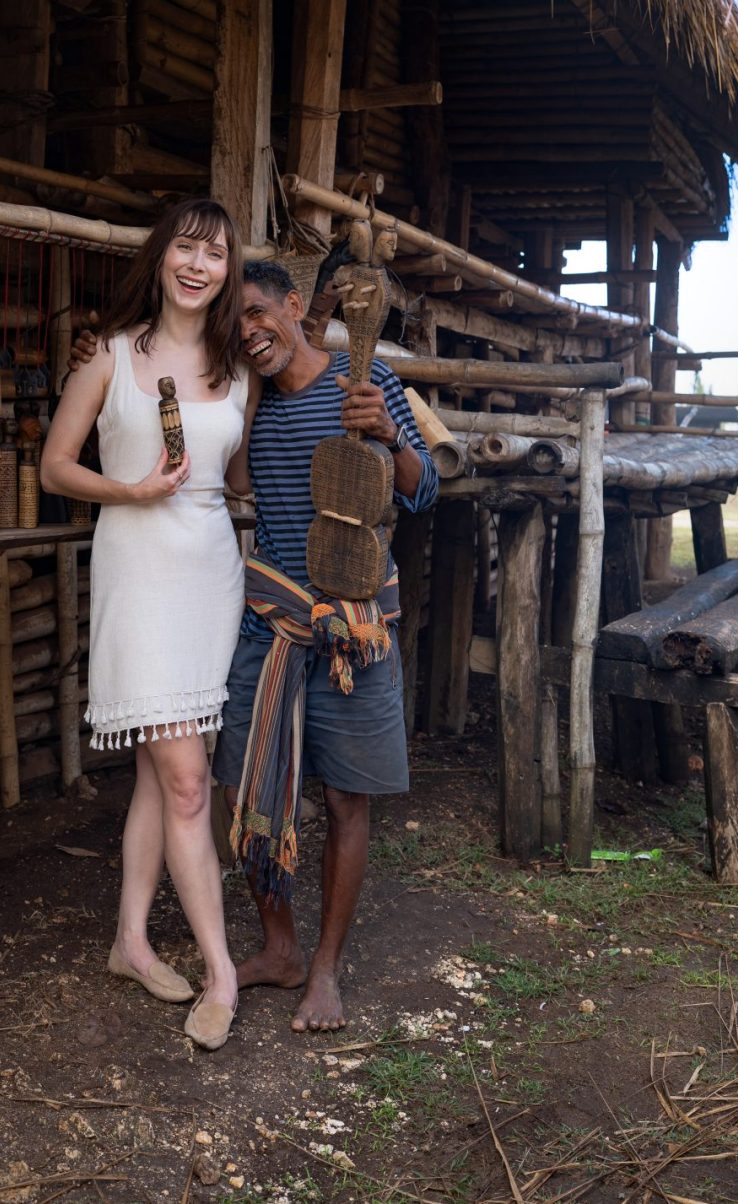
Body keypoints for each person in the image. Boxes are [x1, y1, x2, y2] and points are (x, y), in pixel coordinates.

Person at [42, 199, 251, 1051]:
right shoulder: (111, 357)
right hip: (137, 565)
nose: (199, 266)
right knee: (189, 781)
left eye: (217, 254)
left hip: (210, 574)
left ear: (229, 272)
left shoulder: (240, 369)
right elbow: (55, 467)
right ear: (162, 258)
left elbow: (232, 482)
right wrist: (128, 490)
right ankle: (223, 972)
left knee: (159, 778)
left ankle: (129, 941)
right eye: (187, 250)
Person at [213, 259, 438, 1032]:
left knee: (346, 799)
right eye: (234, 323)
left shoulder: (363, 380)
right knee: (247, 790)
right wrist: (244, 398)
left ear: (294, 306)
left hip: (354, 630)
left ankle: (326, 970)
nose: (248, 331)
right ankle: (278, 948)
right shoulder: (255, 404)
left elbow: (422, 486)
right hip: (272, 626)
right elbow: (239, 483)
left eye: (256, 313)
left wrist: (385, 431)